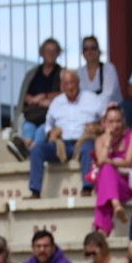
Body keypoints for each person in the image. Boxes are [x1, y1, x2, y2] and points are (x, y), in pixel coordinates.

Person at [27, 69, 102, 198]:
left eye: (72, 82)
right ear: (62, 86)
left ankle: (87, 189)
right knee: (37, 149)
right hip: (62, 144)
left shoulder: (92, 98)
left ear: (78, 83)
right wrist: (51, 132)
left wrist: (97, 127)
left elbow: (106, 119)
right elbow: (48, 124)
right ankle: (35, 191)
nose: (70, 87)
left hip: (83, 140)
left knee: (89, 148)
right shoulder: (57, 102)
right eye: (66, 83)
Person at [90, 104, 132, 235]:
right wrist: (108, 140)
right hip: (110, 185)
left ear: (123, 121)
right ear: (104, 123)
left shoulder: (131, 136)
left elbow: (129, 162)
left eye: (118, 121)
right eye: (111, 121)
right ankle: (116, 205)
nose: (115, 125)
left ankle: (101, 232)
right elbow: (100, 161)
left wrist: (111, 162)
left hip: (127, 182)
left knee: (106, 175)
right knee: (106, 170)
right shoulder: (100, 140)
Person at [12, 37, 65, 155]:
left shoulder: (62, 73)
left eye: (54, 51)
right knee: (27, 131)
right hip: (32, 115)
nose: (50, 54)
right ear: (41, 53)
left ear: (58, 54)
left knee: (41, 134)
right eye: (47, 50)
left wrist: (45, 97)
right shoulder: (32, 74)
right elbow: (24, 96)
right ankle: (26, 147)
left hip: (50, 119)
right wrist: (32, 99)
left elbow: (66, 93)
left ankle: (28, 152)